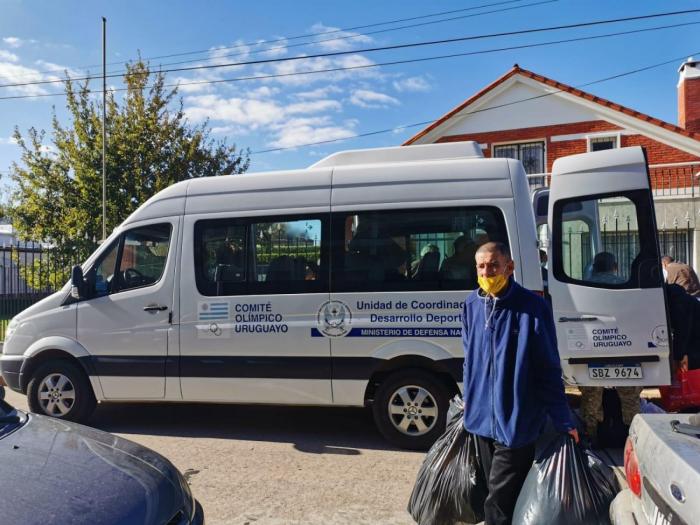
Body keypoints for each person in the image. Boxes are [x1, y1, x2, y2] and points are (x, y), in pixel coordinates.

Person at [462, 241, 578, 525]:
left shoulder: (533, 307)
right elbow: (469, 359)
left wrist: (564, 419)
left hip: (517, 422)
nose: (487, 272)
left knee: (496, 505)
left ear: (509, 267)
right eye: (481, 266)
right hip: (481, 422)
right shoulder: (471, 305)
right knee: (497, 492)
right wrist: (469, 398)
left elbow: (548, 368)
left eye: (493, 265)